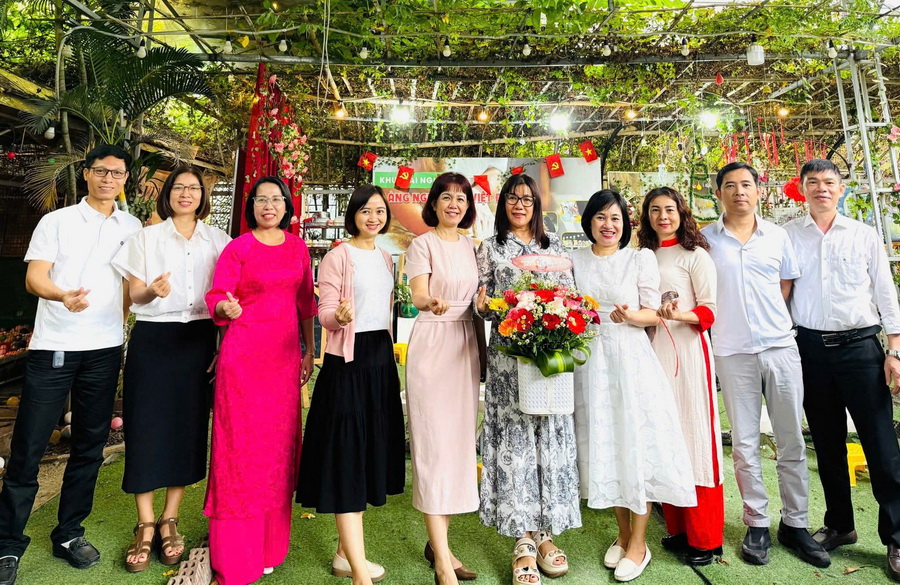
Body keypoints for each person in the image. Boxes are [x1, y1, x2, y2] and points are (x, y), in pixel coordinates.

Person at [0, 144, 141, 585]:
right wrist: (63, 295)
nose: (108, 179)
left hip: (104, 350)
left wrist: (123, 320)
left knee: (89, 446)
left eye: (116, 173)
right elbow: (34, 277)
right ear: (86, 174)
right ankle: (7, 543)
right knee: (29, 447)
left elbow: (128, 286)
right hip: (55, 348)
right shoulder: (57, 221)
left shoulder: (131, 226)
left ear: (125, 179)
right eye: (101, 171)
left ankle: (69, 533)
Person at [701, 162, 829, 568]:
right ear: (718, 193)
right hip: (731, 350)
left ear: (759, 190)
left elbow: (785, 285)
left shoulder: (778, 236)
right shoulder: (705, 240)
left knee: (791, 440)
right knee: (744, 443)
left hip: (779, 347)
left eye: (746, 185)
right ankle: (756, 522)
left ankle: (795, 523)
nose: (739, 192)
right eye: (730, 186)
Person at [572, 189, 696, 582]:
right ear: (589, 222)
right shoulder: (576, 259)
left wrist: (630, 317)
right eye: (600, 217)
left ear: (625, 224)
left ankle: (639, 544)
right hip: (591, 362)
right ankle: (623, 534)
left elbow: (653, 313)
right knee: (608, 445)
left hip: (630, 358)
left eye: (615, 218)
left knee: (635, 444)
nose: (608, 225)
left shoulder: (639, 258)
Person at [785, 159, 900, 580]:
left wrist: (895, 351)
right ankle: (839, 525)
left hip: (860, 348)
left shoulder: (863, 234)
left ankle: (897, 536)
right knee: (827, 442)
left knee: (881, 445)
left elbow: (885, 292)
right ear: (801, 189)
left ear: (841, 189)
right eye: (813, 182)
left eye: (829, 182)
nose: (821, 188)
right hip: (810, 349)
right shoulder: (788, 235)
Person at [111, 167, 230, 572]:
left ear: (202, 197)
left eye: (193, 188)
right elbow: (134, 294)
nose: (186, 193)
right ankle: (145, 523)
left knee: (187, 426)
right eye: (178, 187)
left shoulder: (219, 241)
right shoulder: (145, 238)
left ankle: (170, 519)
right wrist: (152, 291)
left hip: (199, 341)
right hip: (154, 339)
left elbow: (226, 296)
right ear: (168, 194)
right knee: (144, 426)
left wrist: (222, 346)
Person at [204, 177, 316, 585]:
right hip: (243, 363)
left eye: (276, 199)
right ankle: (237, 556)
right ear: (250, 207)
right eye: (261, 199)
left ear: (287, 206)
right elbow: (217, 294)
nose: (269, 205)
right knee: (240, 452)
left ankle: (271, 546)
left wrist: (309, 350)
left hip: (283, 363)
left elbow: (306, 302)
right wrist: (225, 307)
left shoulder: (297, 248)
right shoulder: (238, 248)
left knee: (276, 450)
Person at [474, 173, 580, 585]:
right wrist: (485, 306)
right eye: (512, 198)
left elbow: (572, 299)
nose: (519, 205)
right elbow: (482, 301)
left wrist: (558, 319)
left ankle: (545, 534)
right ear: (502, 204)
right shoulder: (490, 248)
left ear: (537, 205)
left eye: (527, 199)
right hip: (508, 361)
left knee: (549, 439)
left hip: (549, 360)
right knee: (515, 443)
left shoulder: (555, 248)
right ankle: (522, 539)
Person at [297, 184, 405, 585]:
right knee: (346, 454)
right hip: (347, 362)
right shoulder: (337, 256)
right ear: (353, 215)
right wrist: (338, 318)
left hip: (379, 359)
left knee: (366, 453)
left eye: (379, 211)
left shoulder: (386, 256)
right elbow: (324, 310)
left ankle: (344, 555)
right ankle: (359, 572)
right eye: (365, 211)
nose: (373, 217)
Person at [637, 187, 725, 566]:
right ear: (646, 216)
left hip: (688, 353)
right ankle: (679, 530)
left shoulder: (695, 255)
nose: (663, 217)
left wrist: (680, 314)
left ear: (681, 213)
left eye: (669, 209)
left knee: (695, 437)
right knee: (666, 437)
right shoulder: (643, 255)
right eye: (655, 210)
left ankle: (706, 539)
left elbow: (709, 311)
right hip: (653, 352)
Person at [405, 173, 480, 585]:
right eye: (447, 197)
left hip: (466, 345)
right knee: (433, 449)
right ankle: (442, 564)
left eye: (461, 198)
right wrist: (429, 302)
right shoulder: (422, 244)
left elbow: (477, 299)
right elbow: (417, 294)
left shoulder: (471, 246)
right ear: (433, 203)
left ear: (468, 206)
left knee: (454, 449)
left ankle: (441, 546)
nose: (454, 204)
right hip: (434, 343)